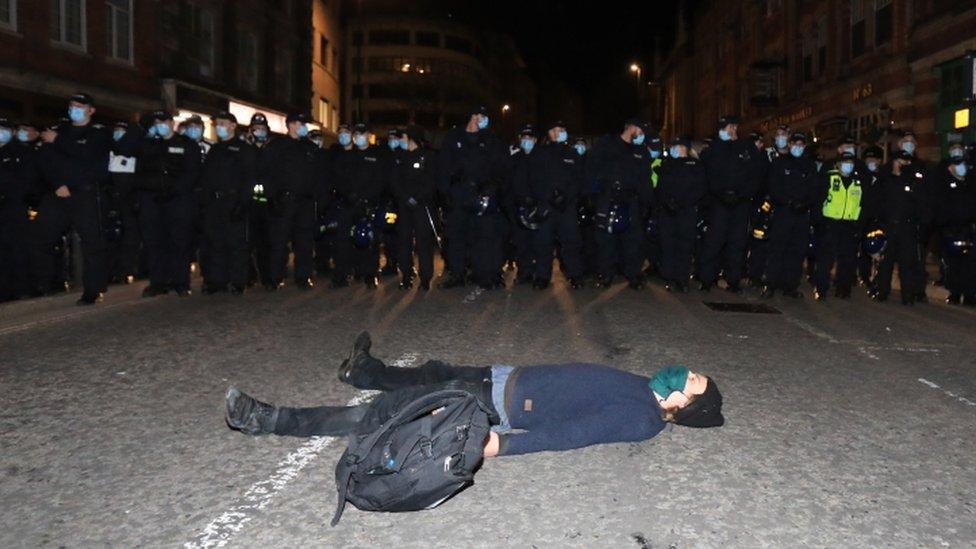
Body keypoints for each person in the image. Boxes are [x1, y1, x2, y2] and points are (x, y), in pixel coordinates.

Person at [225, 332, 724, 457]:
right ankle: (365, 372)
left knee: (382, 416)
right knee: (432, 373)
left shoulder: (643, 419)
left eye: (692, 381)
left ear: (684, 406)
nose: (685, 373)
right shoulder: (647, 391)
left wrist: (501, 445)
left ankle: (269, 420)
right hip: (507, 378)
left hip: (496, 405)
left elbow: (573, 434)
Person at [33, 93, 113, 305]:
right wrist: (58, 183)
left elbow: (86, 154)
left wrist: (59, 141)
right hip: (58, 193)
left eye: (79, 106)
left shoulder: (99, 132)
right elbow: (44, 159)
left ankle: (93, 290)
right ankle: (47, 283)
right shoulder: (60, 130)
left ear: (90, 110)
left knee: (92, 243)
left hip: (85, 193)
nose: (74, 109)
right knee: (43, 237)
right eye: (71, 105)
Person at [437, 106, 510, 289]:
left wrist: (491, 188)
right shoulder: (453, 138)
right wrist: (445, 192)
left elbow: (502, 168)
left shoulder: (491, 140)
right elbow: (442, 167)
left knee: (483, 238)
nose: (484, 120)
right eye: (481, 116)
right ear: (473, 116)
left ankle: (484, 275)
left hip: (482, 196)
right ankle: (457, 275)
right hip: (458, 195)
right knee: (456, 238)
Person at [130, 110, 201, 297]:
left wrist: (173, 190)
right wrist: (140, 127)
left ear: (171, 123)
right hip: (152, 201)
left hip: (178, 200)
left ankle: (180, 282)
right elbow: (132, 159)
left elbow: (192, 173)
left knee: (179, 242)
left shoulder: (187, 145)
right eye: (156, 122)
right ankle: (157, 282)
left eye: (163, 121)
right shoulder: (147, 144)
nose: (160, 125)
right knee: (154, 242)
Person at [585, 118, 653, 289]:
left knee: (633, 240)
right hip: (607, 197)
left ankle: (633, 274)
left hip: (631, 200)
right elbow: (590, 169)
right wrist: (590, 195)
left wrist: (647, 202)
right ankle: (605, 274)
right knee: (605, 239)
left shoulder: (641, 151)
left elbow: (646, 179)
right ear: (631, 127)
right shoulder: (607, 144)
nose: (642, 135)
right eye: (641, 131)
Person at [697, 115, 760, 293]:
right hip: (719, 203)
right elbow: (707, 177)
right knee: (713, 242)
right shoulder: (712, 151)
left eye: (734, 127)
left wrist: (742, 194)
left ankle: (733, 280)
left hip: (740, 203)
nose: (732, 130)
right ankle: (707, 279)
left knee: (737, 243)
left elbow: (756, 174)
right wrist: (719, 194)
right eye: (728, 127)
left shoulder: (747, 148)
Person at [199, 111, 256, 295]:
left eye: (223, 123)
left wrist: (242, 203)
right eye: (217, 124)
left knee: (236, 244)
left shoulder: (242, 149)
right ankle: (217, 281)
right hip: (214, 203)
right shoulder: (215, 149)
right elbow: (206, 177)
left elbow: (249, 179)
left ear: (232, 126)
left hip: (233, 200)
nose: (219, 127)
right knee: (215, 243)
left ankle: (238, 281)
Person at [262, 113, 318, 291]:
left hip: (305, 203)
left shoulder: (309, 147)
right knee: (279, 242)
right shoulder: (277, 146)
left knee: (304, 243)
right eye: (301, 123)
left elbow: (318, 176)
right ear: (291, 125)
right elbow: (266, 173)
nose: (304, 127)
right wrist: (272, 197)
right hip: (284, 201)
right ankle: (275, 277)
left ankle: (303, 277)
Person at [330, 122, 390, 289]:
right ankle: (342, 274)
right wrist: (349, 195)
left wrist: (366, 197)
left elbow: (380, 181)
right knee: (343, 241)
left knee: (370, 241)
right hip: (348, 203)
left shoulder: (377, 154)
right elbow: (339, 178)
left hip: (369, 204)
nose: (359, 137)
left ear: (368, 135)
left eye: (362, 134)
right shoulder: (348, 155)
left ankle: (371, 275)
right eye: (356, 134)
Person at [761, 132, 819, 299]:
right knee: (777, 249)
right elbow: (773, 187)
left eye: (801, 145)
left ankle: (790, 286)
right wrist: (787, 202)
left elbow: (814, 189)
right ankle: (770, 284)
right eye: (795, 144)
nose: (798, 147)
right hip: (783, 212)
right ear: (790, 144)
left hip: (801, 215)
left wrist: (805, 204)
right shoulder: (780, 163)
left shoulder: (809, 165)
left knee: (797, 251)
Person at [871, 150, 932, 305]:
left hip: (907, 227)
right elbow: (876, 202)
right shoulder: (884, 179)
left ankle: (908, 295)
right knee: (886, 262)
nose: (905, 164)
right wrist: (876, 224)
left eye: (907, 161)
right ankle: (882, 291)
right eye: (902, 161)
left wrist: (921, 224)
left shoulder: (913, 181)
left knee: (907, 263)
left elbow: (922, 204)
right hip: (888, 225)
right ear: (895, 161)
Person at [813, 151, 872, 301]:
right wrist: (819, 223)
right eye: (845, 162)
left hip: (849, 225)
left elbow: (864, 204)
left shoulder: (858, 181)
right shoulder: (830, 177)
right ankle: (821, 289)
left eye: (851, 163)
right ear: (838, 164)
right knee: (826, 259)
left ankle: (843, 289)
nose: (848, 166)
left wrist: (859, 226)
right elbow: (818, 200)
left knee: (847, 260)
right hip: (831, 223)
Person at [656, 137, 707, 292]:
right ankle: (670, 278)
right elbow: (660, 188)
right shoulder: (667, 165)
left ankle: (682, 279)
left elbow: (700, 189)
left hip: (686, 211)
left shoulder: (696, 166)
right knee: (668, 245)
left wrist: (683, 203)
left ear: (684, 147)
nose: (673, 149)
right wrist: (666, 202)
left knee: (685, 246)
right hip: (668, 211)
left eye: (675, 146)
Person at [390, 125, 437, 290]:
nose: (399, 140)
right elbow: (394, 181)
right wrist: (405, 197)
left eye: (402, 137)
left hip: (422, 206)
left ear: (411, 138)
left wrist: (417, 198)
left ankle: (425, 277)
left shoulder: (428, 156)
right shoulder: (399, 157)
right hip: (404, 206)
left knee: (424, 243)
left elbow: (431, 182)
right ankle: (406, 275)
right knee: (404, 242)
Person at [934, 154, 976, 305]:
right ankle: (955, 292)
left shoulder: (970, 184)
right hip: (951, 229)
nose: (962, 167)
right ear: (950, 168)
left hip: (968, 228)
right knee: (953, 263)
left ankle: (970, 294)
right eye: (958, 164)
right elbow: (940, 208)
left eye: (963, 164)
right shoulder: (945, 185)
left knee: (970, 263)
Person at [507, 124, 540, 285]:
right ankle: (524, 272)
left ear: (535, 140)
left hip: (536, 207)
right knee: (521, 242)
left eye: (530, 138)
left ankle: (538, 273)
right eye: (524, 137)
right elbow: (508, 182)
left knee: (538, 242)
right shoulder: (514, 158)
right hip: (518, 206)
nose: (527, 140)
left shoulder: (542, 158)